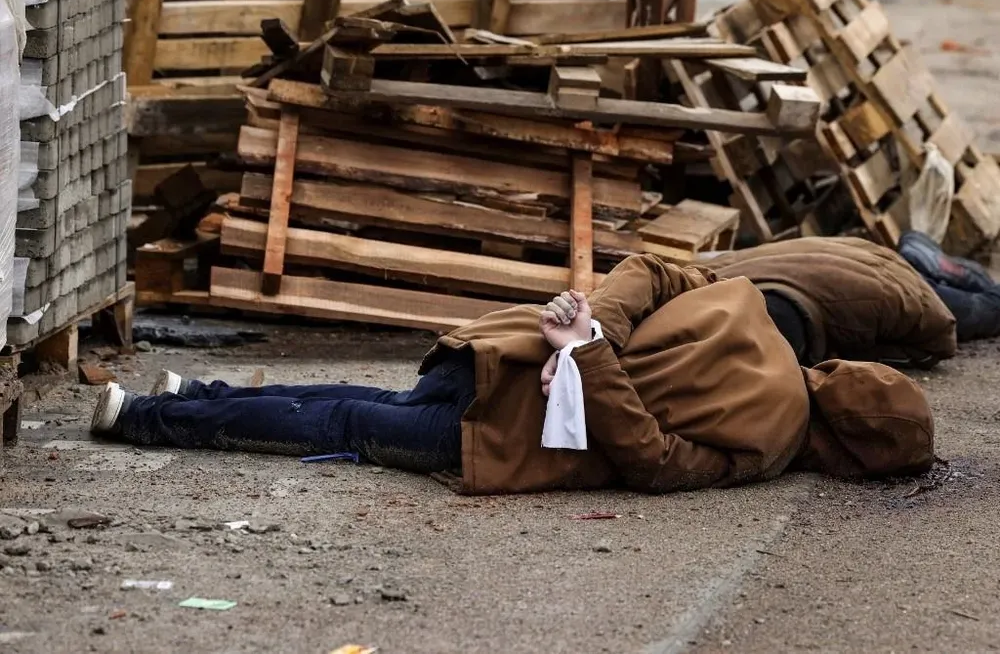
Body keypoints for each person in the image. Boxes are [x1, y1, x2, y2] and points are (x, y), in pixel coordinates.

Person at [91, 255, 935, 495]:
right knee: (352, 424)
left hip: (506, 351)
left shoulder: (749, 309)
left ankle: (187, 396)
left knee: (368, 401)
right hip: (515, 433)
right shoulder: (772, 444)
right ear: (850, 452)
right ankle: (142, 418)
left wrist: (588, 327)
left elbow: (651, 266)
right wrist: (591, 356)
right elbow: (650, 461)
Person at [699, 235, 960, 370]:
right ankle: (919, 247)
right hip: (839, 254)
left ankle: (922, 250)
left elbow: (941, 339)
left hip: (890, 278)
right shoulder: (710, 281)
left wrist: (856, 357)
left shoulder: (870, 303)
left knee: (988, 306)